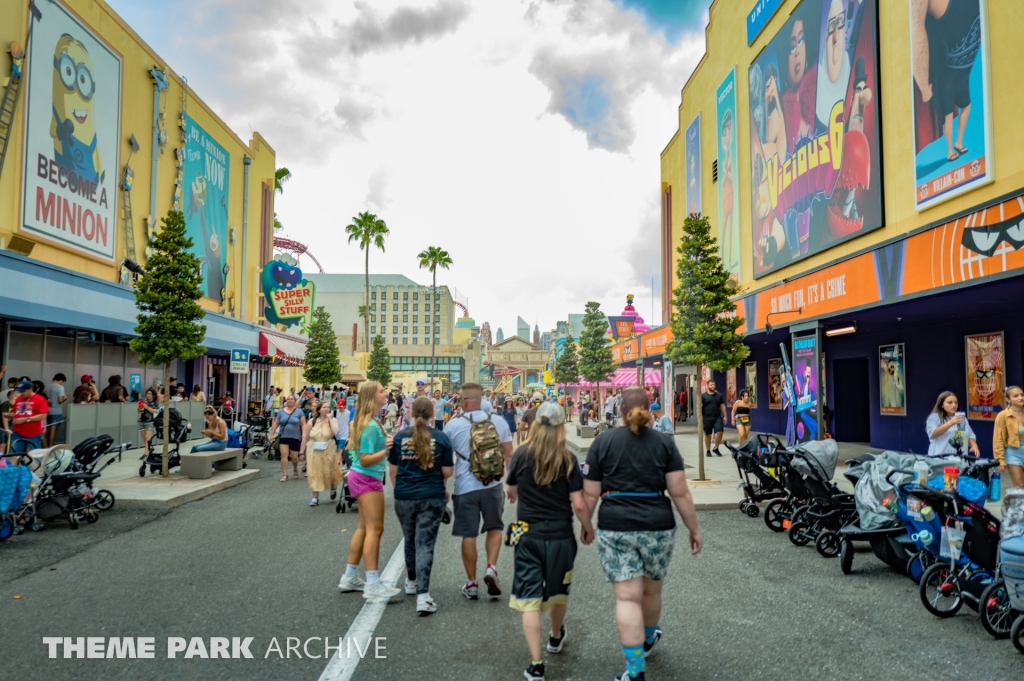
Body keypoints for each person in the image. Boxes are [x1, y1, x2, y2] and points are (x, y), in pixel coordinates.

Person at [582, 388, 702, 681]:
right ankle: (648, 639)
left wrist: (586, 524)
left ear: (619, 410)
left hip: (615, 524)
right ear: (650, 410)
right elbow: (679, 492)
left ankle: (635, 671)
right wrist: (693, 529)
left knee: (626, 599)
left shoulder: (603, 441)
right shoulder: (664, 443)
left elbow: (590, 493)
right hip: (658, 525)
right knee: (651, 591)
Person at [507, 401, 593, 681]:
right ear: (560, 428)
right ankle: (555, 637)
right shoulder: (567, 459)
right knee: (558, 591)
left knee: (528, 599)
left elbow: (511, 490)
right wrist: (588, 527)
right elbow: (579, 505)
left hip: (526, 532)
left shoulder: (521, 455)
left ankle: (536, 665)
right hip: (560, 534)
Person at [444, 382, 514, 601]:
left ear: (464, 401)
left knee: (469, 534)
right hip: (493, 485)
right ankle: (491, 567)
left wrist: (442, 488)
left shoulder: (453, 426)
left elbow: (446, 463)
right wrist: (511, 482)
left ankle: (472, 583)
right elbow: (509, 454)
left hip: (465, 488)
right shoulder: (498, 422)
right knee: (494, 528)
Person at [389, 396, 454, 615]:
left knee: (410, 538)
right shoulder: (441, 438)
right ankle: (423, 596)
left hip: (404, 496)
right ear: (432, 415)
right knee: (425, 542)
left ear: (411, 413)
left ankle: (411, 581)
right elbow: (447, 472)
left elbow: (393, 471)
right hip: (432, 495)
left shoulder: (399, 438)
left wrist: (401, 490)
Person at [339, 382, 401, 600]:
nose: (386, 394)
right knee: (375, 529)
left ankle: (350, 576)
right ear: (372, 397)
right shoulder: (371, 425)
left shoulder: (370, 421)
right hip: (367, 478)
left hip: (361, 478)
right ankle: (373, 582)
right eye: (382, 391)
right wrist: (386, 451)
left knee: (364, 528)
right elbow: (365, 460)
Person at [300, 401, 342, 506]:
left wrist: (331, 419)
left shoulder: (333, 420)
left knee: (330, 471)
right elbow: (306, 438)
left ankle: (333, 487)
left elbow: (336, 432)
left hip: (328, 450)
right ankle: (315, 498)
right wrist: (301, 452)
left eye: (328, 407)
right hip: (313, 451)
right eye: (324, 407)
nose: (327, 409)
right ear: (319, 409)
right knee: (314, 473)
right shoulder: (312, 421)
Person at [925, 391, 979, 458]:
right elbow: (932, 434)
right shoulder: (935, 417)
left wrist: (974, 446)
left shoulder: (960, 417)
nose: (954, 405)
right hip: (939, 461)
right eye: (950, 402)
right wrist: (950, 423)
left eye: (956, 402)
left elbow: (964, 435)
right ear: (942, 405)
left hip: (959, 461)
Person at [993, 386, 1024, 489]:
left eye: (1022, 395)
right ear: (1008, 399)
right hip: (1014, 453)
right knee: (1019, 487)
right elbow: (998, 439)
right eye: (1016, 396)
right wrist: (1000, 459)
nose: (1020, 397)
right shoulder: (1003, 415)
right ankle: (1019, 505)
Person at [270, 394, 306, 481]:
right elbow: (276, 423)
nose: (290, 400)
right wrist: (271, 434)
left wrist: (304, 434)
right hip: (284, 436)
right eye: (288, 399)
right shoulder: (281, 412)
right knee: (284, 455)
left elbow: (303, 424)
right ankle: (285, 474)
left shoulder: (299, 412)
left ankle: (295, 469)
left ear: (295, 401)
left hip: (295, 437)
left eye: (292, 399)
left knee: (294, 457)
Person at [11, 380, 49, 452]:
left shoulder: (40, 399)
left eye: (23, 391)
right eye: (20, 391)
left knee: (34, 455)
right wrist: (10, 417)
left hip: (33, 433)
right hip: (18, 432)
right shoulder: (19, 398)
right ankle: (13, 463)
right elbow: (14, 412)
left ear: (30, 389)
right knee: (13, 453)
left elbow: (43, 415)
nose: (21, 393)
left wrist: (25, 419)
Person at [701, 380, 726, 457]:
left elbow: (722, 406)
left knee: (720, 431)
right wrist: (700, 417)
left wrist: (725, 416)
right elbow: (700, 406)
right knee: (708, 434)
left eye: (714, 385)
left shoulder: (719, 395)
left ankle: (716, 448)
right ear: (707, 386)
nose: (713, 386)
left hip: (717, 418)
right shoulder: (703, 396)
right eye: (711, 385)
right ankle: (708, 450)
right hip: (707, 418)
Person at [44, 373, 67, 447]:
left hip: (46, 410)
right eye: (62, 381)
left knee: (45, 429)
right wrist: (65, 398)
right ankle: (51, 446)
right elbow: (60, 400)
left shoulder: (46, 386)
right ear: (60, 380)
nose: (62, 383)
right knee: (53, 429)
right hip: (56, 410)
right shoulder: (60, 387)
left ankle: (45, 446)